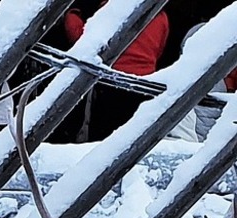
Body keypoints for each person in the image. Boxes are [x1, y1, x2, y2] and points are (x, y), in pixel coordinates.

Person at [64, 1, 169, 141]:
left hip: (111, 83)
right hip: (144, 86)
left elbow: (85, 42)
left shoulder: (112, 9)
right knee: (131, 138)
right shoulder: (160, 15)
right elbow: (159, 51)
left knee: (101, 138)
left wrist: (71, 15)